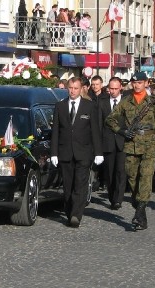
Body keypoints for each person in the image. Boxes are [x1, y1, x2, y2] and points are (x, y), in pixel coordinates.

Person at [105, 72, 155, 231]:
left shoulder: (154, 101)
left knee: (145, 176)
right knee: (132, 178)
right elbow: (110, 119)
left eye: (140, 82)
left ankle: (140, 210)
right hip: (131, 145)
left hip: (150, 144)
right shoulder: (126, 102)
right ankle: (139, 208)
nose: (136, 85)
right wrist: (121, 131)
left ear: (146, 83)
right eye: (134, 82)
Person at [50, 77, 103, 228]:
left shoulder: (89, 106)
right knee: (68, 187)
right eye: (70, 88)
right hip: (65, 152)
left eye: (75, 88)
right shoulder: (60, 106)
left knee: (80, 185)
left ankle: (76, 215)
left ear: (81, 89)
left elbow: (95, 131)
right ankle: (69, 211)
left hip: (84, 152)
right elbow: (55, 132)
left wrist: (98, 152)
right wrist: (54, 153)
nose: (73, 91)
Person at [98, 77, 126, 210]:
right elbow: (98, 124)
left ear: (121, 88)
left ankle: (118, 199)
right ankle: (112, 196)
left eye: (116, 88)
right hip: (107, 141)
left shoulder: (126, 102)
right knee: (109, 172)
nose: (113, 91)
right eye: (111, 89)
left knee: (121, 171)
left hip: (122, 141)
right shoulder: (102, 102)